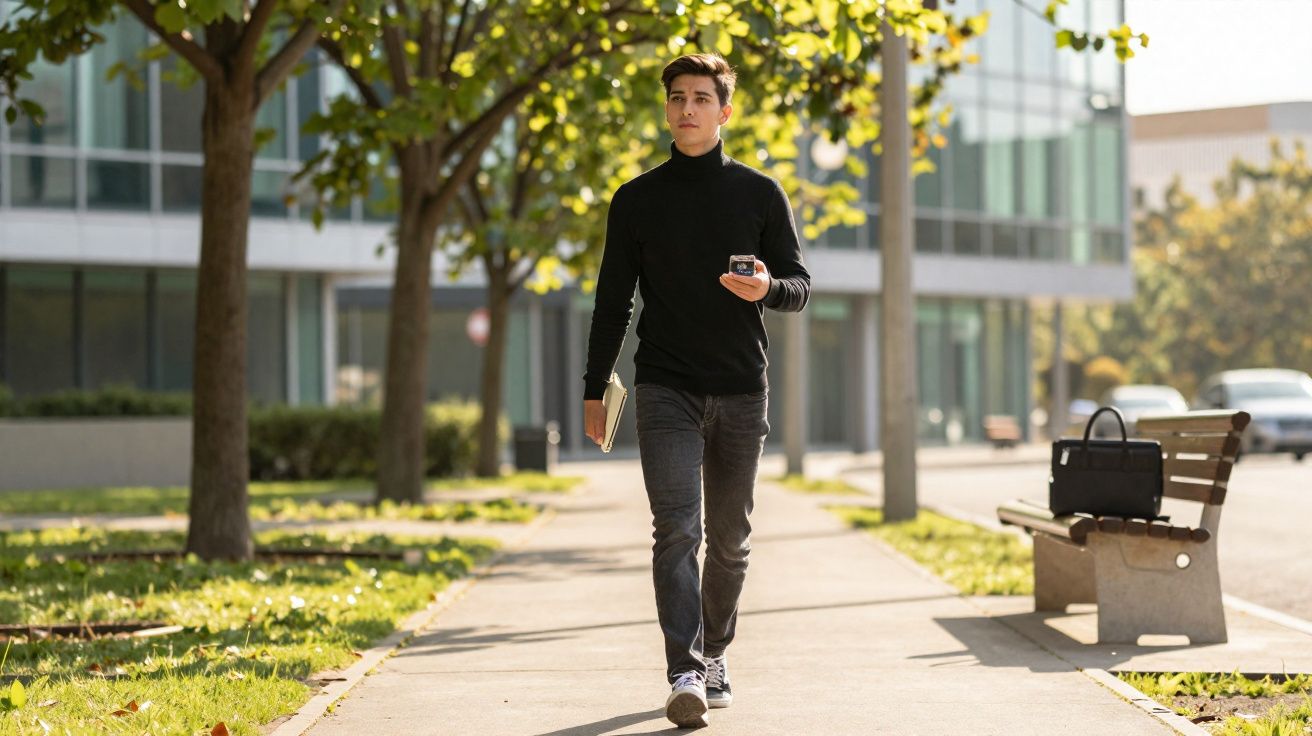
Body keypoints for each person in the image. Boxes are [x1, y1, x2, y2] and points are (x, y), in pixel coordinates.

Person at [582, 53, 811, 729]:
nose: (687, 108)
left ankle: (715, 652)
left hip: (742, 389)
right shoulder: (636, 200)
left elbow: (800, 286)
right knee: (677, 531)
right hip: (665, 388)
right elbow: (612, 304)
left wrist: (766, 288)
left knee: (732, 539)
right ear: (667, 108)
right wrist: (595, 389)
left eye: (701, 97)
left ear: (724, 111)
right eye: (677, 97)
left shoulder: (761, 194)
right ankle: (684, 667)